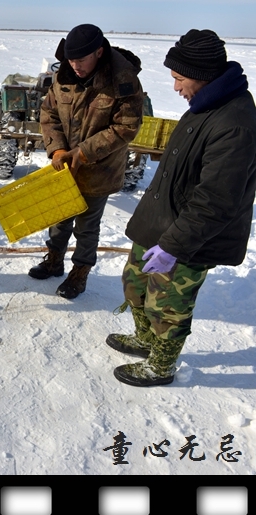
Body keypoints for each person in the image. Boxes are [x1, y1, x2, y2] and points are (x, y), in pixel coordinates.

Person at [108, 29, 256, 386]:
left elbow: (216, 201)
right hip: (161, 223)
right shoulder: (205, 104)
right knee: (134, 284)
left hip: (191, 237)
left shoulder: (235, 123)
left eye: (179, 78)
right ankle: (145, 340)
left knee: (168, 306)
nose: (175, 87)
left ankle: (161, 365)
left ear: (203, 76)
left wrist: (174, 246)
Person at [29, 24, 144, 299]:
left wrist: (82, 153)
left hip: (98, 170)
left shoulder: (122, 79)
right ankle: (54, 261)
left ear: (99, 52)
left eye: (81, 60)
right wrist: (57, 151)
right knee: (58, 217)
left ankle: (79, 273)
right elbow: (49, 114)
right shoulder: (64, 76)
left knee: (87, 226)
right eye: (71, 60)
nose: (75, 66)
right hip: (63, 167)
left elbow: (126, 126)